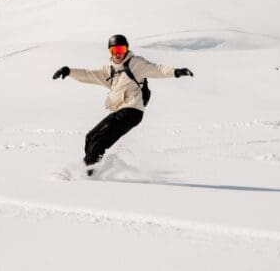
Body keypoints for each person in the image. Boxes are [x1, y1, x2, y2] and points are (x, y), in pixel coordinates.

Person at [52, 34, 193, 175]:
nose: (118, 53)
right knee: (90, 137)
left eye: (121, 49)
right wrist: (69, 71)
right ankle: (88, 169)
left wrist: (176, 72)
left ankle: (88, 175)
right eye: (114, 50)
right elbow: (88, 74)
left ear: (126, 49)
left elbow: (157, 69)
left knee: (98, 142)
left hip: (132, 111)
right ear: (110, 52)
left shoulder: (136, 64)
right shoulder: (109, 70)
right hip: (120, 111)